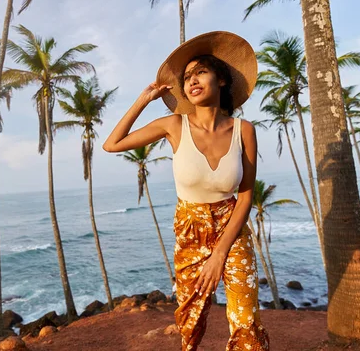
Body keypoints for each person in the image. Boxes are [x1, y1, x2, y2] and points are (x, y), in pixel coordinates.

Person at [103, 32, 270, 351]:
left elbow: (246, 196)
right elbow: (112, 144)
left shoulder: (243, 131)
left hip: (231, 229)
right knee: (190, 324)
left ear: (221, 79)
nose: (192, 80)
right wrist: (145, 98)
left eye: (201, 72)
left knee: (246, 324)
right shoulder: (173, 125)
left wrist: (221, 251)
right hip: (189, 230)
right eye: (187, 77)